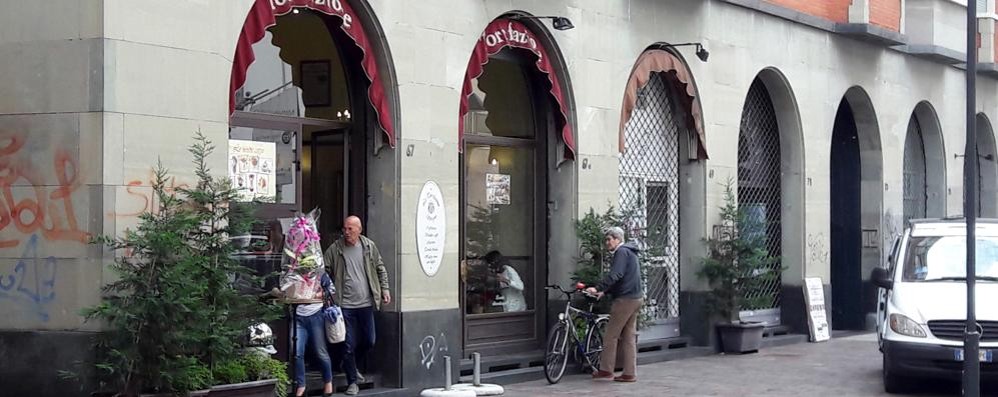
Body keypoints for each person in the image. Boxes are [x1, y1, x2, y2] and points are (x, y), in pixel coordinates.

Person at [323, 216, 391, 396]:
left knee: (369, 340)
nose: (346, 232)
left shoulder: (368, 247)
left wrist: (385, 289)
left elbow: (380, 268)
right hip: (344, 305)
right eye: (344, 229)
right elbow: (324, 270)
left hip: (366, 303)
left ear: (359, 229)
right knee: (348, 344)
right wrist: (328, 291)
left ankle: (349, 365)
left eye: (350, 229)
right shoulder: (336, 249)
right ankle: (352, 382)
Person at [585, 226, 642, 383]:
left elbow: (616, 274)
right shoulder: (631, 252)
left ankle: (606, 370)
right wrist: (606, 292)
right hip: (636, 298)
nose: (607, 242)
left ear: (618, 239)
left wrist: (597, 288)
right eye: (606, 239)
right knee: (628, 337)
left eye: (609, 239)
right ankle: (629, 373)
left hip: (624, 300)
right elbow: (624, 277)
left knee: (611, 335)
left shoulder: (621, 252)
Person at [294, 272, 335, 397]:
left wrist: (315, 294)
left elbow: (331, 290)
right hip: (298, 316)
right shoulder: (294, 274)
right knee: (297, 352)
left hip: (316, 314)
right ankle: (301, 385)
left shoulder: (320, 274)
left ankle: (328, 383)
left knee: (320, 351)